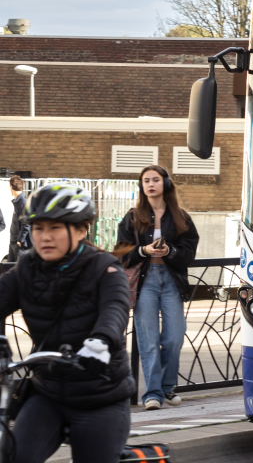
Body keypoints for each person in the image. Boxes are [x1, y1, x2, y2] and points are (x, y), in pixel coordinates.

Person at [0, 184, 135, 463]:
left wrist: (101, 342)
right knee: (15, 456)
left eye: (55, 228)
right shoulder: (26, 269)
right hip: (47, 392)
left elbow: (115, 308)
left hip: (100, 395)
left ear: (81, 230)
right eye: (38, 229)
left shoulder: (105, 268)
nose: (45, 237)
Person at [115, 166, 198, 411]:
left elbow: (189, 252)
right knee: (148, 339)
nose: (150, 184)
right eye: (146, 181)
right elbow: (121, 252)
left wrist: (169, 251)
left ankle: (166, 387)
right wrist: (144, 250)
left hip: (171, 280)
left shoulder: (180, 216)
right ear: (142, 186)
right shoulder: (132, 216)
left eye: (155, 180)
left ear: (166, 183)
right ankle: (153, 394)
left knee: (173, 337)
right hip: (145, 281)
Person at [6, 176, 29, 263]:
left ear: (11, 187)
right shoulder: (17, 202)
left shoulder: (22, 202)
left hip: (19, 244)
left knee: (20, 270)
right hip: (13, 241)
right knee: (9, 268)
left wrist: (20, 240)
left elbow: (26, 223)